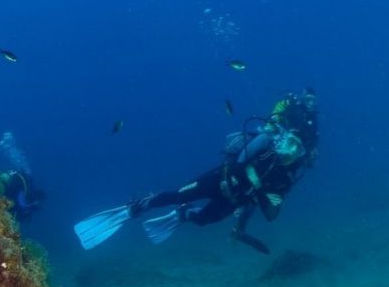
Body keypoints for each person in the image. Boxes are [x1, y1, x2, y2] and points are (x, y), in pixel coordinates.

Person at [75, 89, 319, 254]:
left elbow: (269, 213)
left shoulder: (286, 178)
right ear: (281, 139)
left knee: (202, 220)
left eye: (297, 149)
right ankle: (134, 208)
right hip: (218, 181)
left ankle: (183, 216)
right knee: (177, 194)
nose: (290, 151)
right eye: (289, 143)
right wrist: (260, 188)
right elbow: (240, 161)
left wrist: (268, 204)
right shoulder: (266, 146)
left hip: (233, 201)